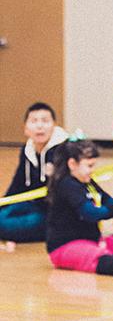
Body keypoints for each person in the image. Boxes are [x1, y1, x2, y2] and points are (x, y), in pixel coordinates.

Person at [45, 140, 113, 277]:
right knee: (96, 255)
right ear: (72, 164)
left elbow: (111, 203)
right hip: (65, 246)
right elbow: (91, 213)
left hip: (92, 241)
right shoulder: (67, 185)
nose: (92, 170)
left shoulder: (88, 183)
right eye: (89, 166)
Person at [1, 102, 68, 243]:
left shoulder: (65, 150)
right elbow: (18, 184)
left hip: (57, 213)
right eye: (34, 121)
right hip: (35, 205)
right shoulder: (27, 151)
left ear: (54, 126)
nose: (39, 126)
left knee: (7, 226)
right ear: (25, 129)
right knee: (3, 216)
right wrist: (3, 203)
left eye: (45, 121)